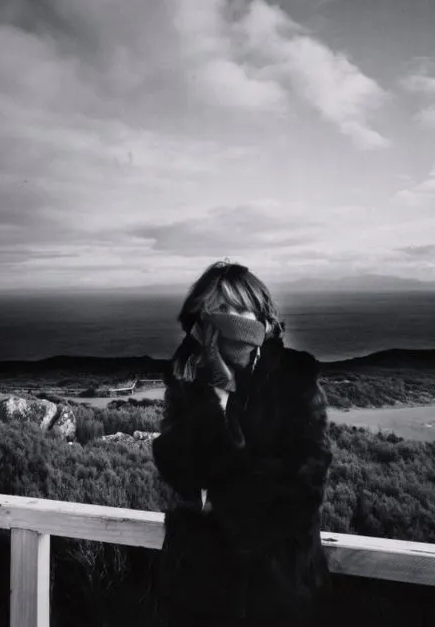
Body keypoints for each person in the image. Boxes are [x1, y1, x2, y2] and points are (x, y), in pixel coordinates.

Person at [152, 260, 333, 627]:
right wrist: (214, 400)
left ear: (262, 316)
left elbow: (304, 485)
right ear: (202, 322)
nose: (229, 318)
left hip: (279, 590)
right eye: (218, 310)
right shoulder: (189, 379)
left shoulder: (296, 381)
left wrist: (217, 498)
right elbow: (177, 469)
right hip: (197, 592)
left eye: (239, 308)